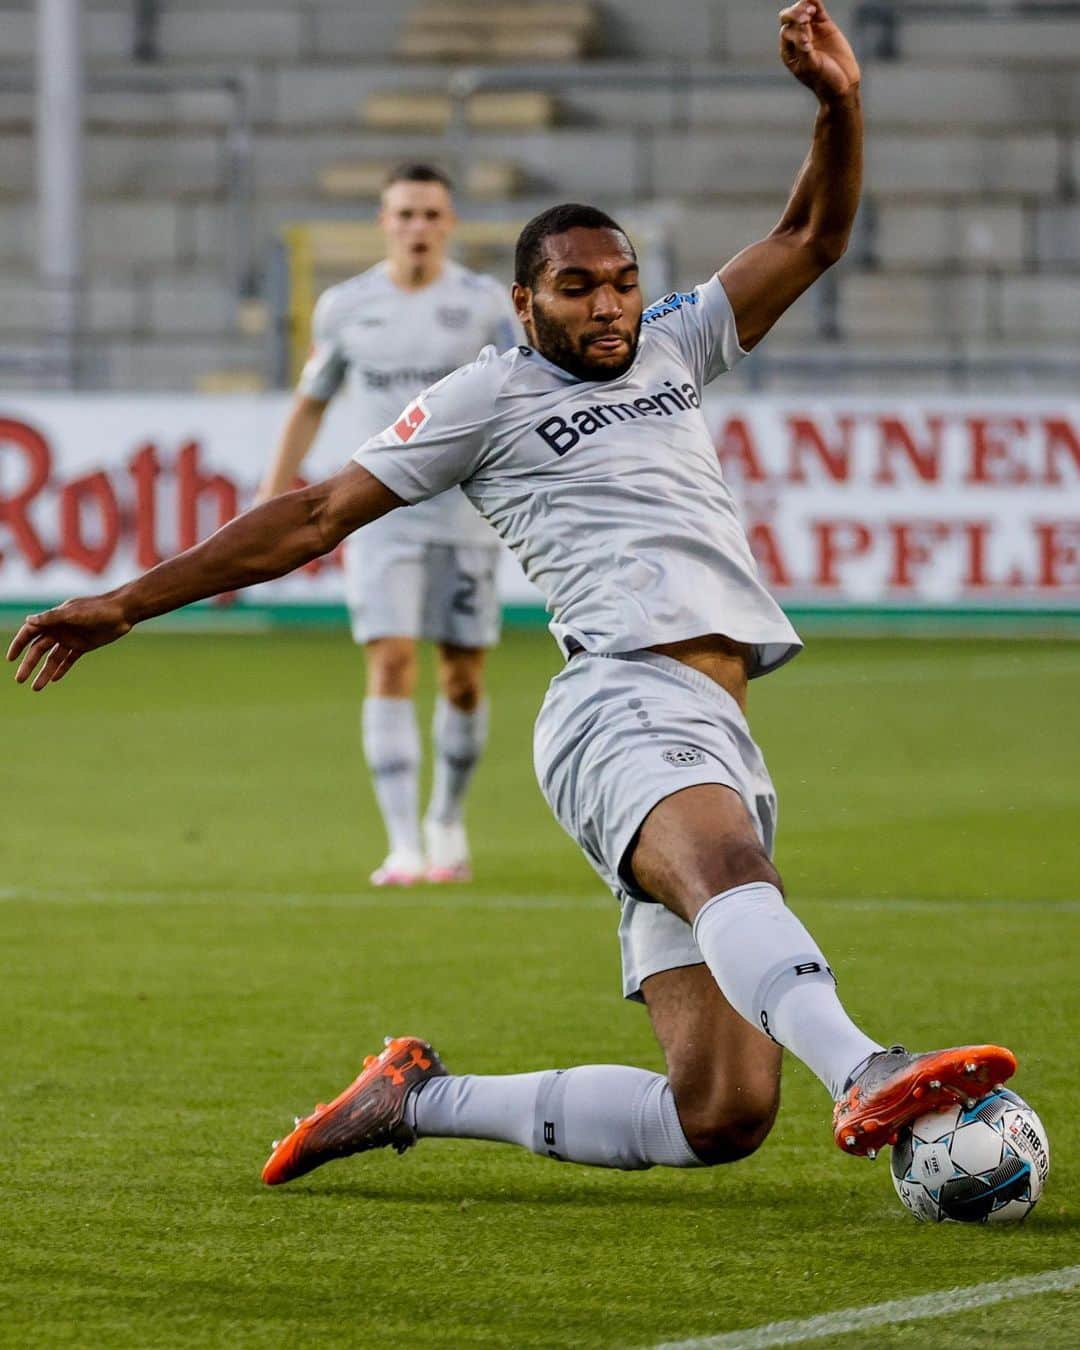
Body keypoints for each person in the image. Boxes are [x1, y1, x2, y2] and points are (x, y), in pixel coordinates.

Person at [9, 3, 1016, 1189]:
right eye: (578, 286)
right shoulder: (484, 397)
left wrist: (840, 105)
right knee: (736, 878)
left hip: (716, 721)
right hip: (622, 697)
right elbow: (317, 513)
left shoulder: (675, 344)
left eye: (623, 282)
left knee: (723, 1113)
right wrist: (125, 602)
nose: (607, 305)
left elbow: (811, 233)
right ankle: (862, 1067)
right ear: (523, 301)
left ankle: (415, 1097)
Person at [258, 163, 520, 886]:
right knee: (391, 661)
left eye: (432, 215)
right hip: (376, 516)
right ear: (383, 222)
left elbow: (524, 393)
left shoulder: (484, 304)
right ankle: (402, 842)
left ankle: (448, 817)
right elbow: (311, 402)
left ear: (451, 224)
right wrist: (269, 498)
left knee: (463, 677)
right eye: (404, 214)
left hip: (465, 514)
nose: (418, 229)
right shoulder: (346, 307)